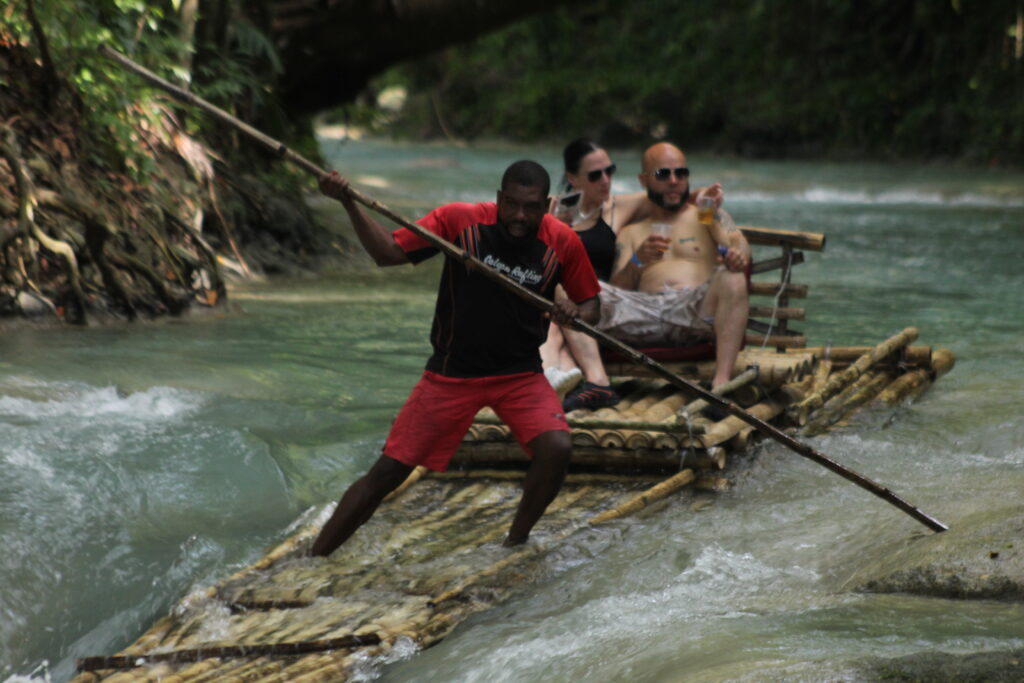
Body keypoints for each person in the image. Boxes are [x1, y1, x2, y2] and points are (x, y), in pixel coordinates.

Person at [309, 160, 601, 556]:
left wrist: (574, 314)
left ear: (547, 205)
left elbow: (592, 307)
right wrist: (347, 202)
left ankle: (514, 544)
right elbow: (387, 253)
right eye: (511, 205)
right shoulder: (459, 222)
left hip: (519, 374)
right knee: (387, 472)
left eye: (530, 208)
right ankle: (314, 555)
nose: (519, 217)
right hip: (451, 373)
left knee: (558, 449)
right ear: (498, 198)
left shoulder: (561, 242)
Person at [540, 138, 726, 410]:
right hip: (563, 301)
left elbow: (671, 191)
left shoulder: (621, 206)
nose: (605, 180)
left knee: (560, 315)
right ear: (572, 178)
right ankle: (560, 381)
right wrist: (553, 228)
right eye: (595, 175)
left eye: (609, 171)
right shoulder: (554, 212)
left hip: (598, 302)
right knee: (555, 317)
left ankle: (565, 380)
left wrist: (705, 197)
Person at [602, 142, 750, 390]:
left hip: (694, 311)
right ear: (644, 180)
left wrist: (737, 254)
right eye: (663, 174)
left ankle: (721, 384)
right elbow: (616, 292)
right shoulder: (631, 232)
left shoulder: (705, 215)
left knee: (733, 278)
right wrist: (638, 261)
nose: (673, 181)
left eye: (681, 173)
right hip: (643, 314)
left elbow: (737, 241)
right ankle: (592, 381)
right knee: (576, 291)